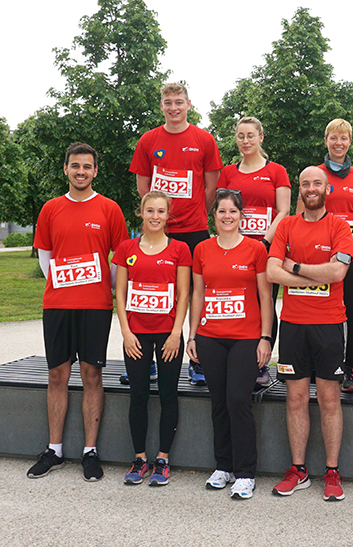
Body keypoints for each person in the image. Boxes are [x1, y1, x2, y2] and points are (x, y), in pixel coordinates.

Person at [28, 142, 129, 481]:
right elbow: (44, 254)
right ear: (66, 169)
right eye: (75, 166)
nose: (81, 172)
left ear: (95, 171)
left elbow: (118, 257)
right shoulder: (51, 209)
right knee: (57, 375)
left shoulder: (110, 209)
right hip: (57, 305)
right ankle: (54, 449)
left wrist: (102, 286)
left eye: (87, 166)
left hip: (95, 306)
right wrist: (62, 282)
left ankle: (90, 451)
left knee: (91, 375)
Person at [267, 166, 353, 501]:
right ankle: (298, 470)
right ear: (299, 189)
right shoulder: (287, 225)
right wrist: (316, 275)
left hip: (330, 325)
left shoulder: (339, 227)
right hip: (293, 326)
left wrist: (298, 267)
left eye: (317, 183)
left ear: (327, 189)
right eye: (305, 183)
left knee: (330, 400)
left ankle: (332, 472)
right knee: (296, 399)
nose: (311, 188)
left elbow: (338, 271)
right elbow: (273, 272)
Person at [130, 82, 223, 386]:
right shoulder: (148, 140)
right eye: (168, 103)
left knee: (197, 296)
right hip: (159, 234)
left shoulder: (204, 139)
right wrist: (159, 217)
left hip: (195, 230)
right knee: (155, 294)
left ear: (188, 104)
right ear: (161, 106)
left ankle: (197, 362)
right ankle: (151, 361)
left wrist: (196, 212)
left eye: (178, 102)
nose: (173, 108)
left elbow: (211, 187)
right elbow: (144, 187)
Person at [187, 188, 273, 499]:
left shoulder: (255, 250)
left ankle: (246, 472)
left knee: (238, 401)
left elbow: (266, 296)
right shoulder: (202, 250)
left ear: (241, 216)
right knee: (219, 403)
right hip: (210, 338)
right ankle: (223, 466)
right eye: (221, 211)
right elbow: (198, 294)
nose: (227, 216)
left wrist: (265, 337)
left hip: (246, 338)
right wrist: (192, 335)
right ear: (214, 216)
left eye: (233, 211)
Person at [113, 190, 191, 487]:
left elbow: (184, 294)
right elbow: (120, 292)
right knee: (138, 396)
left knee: (169, 395)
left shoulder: (180, 249)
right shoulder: (126, 248)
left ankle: (162, 459)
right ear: (140, 213)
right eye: (150, 211)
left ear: (167, 215)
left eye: (161, 211)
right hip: (136, 335)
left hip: (168, 335)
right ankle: (140, 458)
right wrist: (126, 331)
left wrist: (176, 333)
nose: (155, 216)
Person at [296, 119, 353, 393]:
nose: (339, 143)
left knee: (350, 312)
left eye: (344, 138)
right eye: (333, 138)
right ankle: (321, 364)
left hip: (350, 252)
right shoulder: (314, 173)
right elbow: (300, 213)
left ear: (350, 141)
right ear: (326, 140)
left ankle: (349, 365)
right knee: (320, 309)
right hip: (320, 253)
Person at [217, 116, 290, 388]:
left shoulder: (276, 171)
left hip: (265, 248)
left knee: (265, 303)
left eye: (250, 135)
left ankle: (262, 364)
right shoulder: (228, 172)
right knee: (239, 302)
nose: (245, 141)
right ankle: (234, 359)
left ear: (261, 137)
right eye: (240, 136)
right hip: (233, 248)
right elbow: (222, 211)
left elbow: (283, 211)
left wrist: (263, 243)